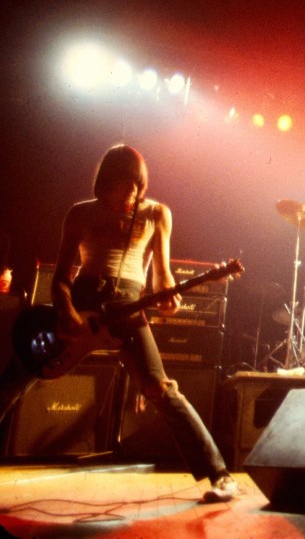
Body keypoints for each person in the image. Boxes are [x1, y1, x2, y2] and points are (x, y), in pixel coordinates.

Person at [0, 145, 238, 502]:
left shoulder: (157, 214)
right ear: (104, 182)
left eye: (135, 186)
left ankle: (219, 476)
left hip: (128, 305)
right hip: (83, 301)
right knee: (20, 373)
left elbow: (162, 278)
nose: (129, 193)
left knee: (161, 389)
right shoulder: (80, 213)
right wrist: (66, 311)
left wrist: (170, 300)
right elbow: (62, 278)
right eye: (121, 185)